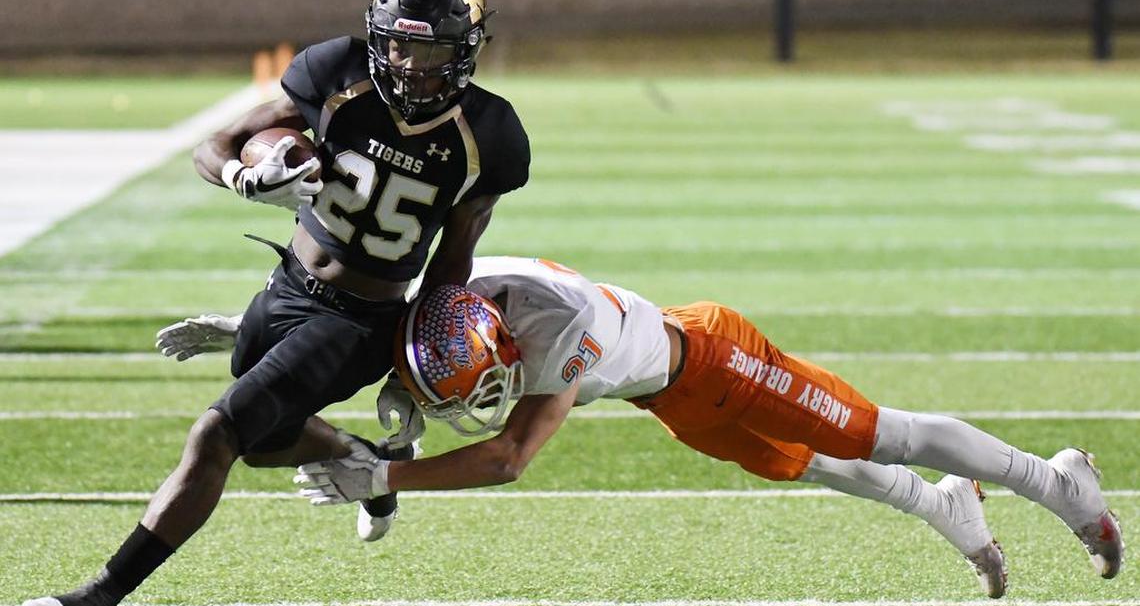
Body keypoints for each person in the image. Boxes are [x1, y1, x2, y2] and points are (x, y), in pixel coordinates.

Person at [160, 256, 1124, 599]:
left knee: (879, 431)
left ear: (503, 341)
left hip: (711, 353)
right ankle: (945, 504)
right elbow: (369, 338)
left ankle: (1056, 481)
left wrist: (384, 483)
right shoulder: (437, 313)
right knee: (809, 467)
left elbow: (506, 457)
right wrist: (249, 330)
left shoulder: (558, 331)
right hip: (666, 393)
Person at [23, 0, 528, 606]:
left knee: (217, 434)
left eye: (428, 50)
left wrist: (408, 366)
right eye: (397, 45)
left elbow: (454, 261)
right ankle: (365, 463)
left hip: (357, 322)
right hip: (284, 287)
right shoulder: (338, 70)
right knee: (264, 444)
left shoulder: (491, 134)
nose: (407, 65)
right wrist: (243, 177)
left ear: (465, 48)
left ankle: (100, 594)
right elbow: (215, 146)